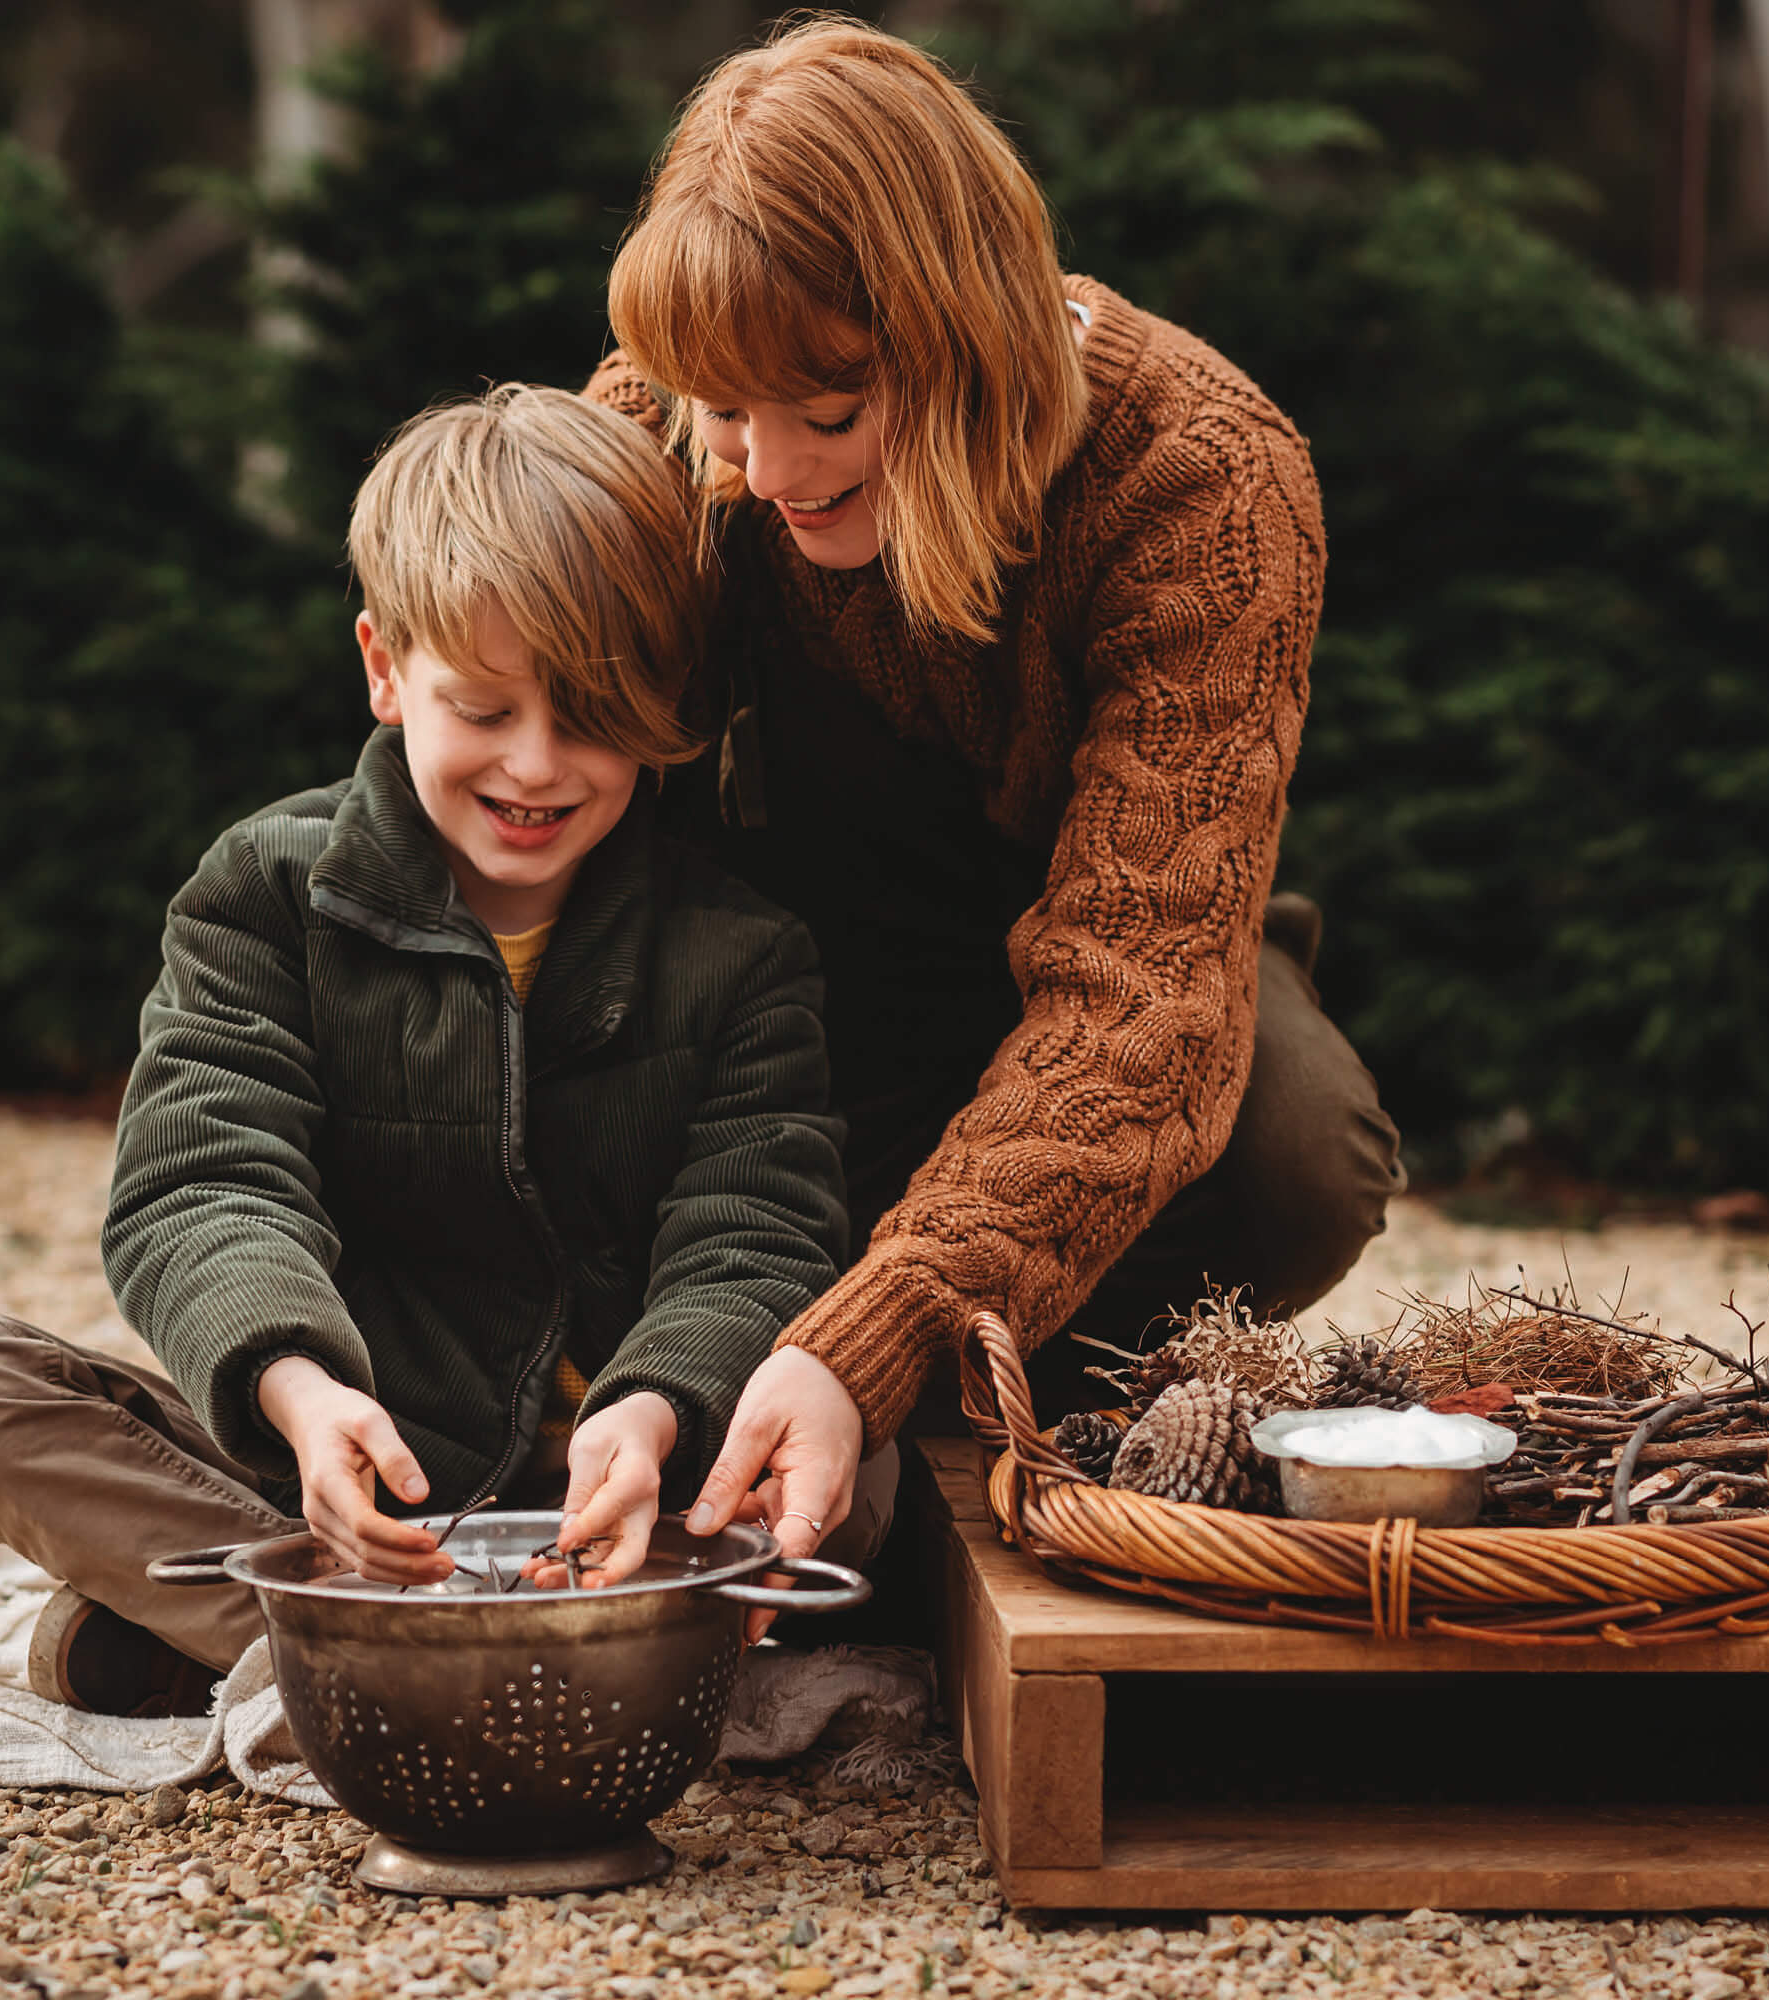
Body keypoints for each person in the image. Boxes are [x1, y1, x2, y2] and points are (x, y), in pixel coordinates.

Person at [0, 384, 874, 1716]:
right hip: (335, 1479)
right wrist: (299, 1397)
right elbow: (203, 1181)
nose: (536, 765)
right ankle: (413, 1647)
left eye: (590, 717)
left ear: (665, 699)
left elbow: (755, 1231)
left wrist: (651, 1414)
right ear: (384, 667)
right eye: (483, 709)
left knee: (860, 1482)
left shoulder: (743, 949)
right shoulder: (262, 893)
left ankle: (270, 1645)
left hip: (621, 1505)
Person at [585, 18, 1408, 1577]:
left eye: (828, 417)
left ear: (969, 341)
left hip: (1107, 932)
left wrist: (876, 1336)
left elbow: (1143, 999)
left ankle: (949, 1408)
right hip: (788, 961)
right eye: (721, 412)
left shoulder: (1203, 477)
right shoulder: (670, 413)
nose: (762, 471)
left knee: (1303, 1157)